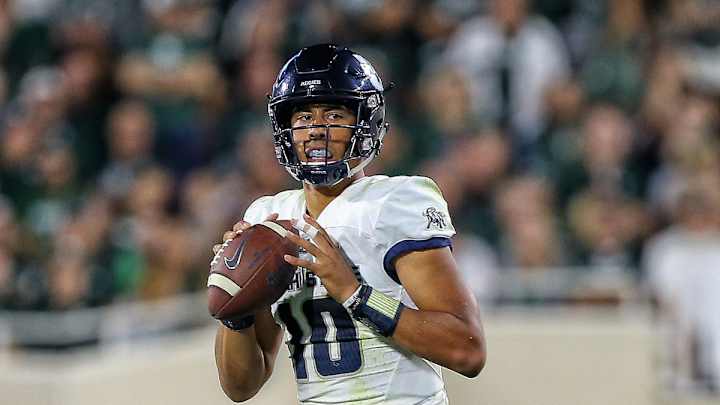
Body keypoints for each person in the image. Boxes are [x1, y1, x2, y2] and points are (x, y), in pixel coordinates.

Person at [211, 44, 486, 404]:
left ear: (366, 122)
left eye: (333, 114)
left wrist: (356, 294)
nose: (316, 129)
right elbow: (241, 387)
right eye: (304, 117)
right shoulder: (269, 219)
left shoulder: (393, 203)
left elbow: (467, 349)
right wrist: (236, 309)